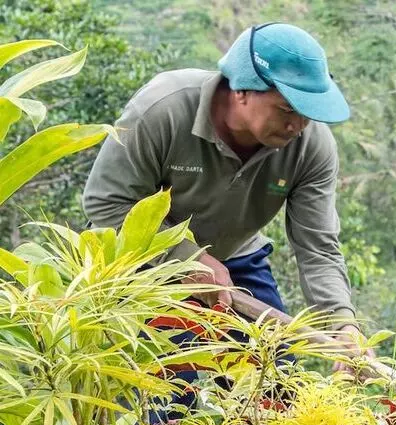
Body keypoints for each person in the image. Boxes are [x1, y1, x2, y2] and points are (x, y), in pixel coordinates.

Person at [82, 22, 371, 383]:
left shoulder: (311, 146)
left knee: (274, 384)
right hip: (141, 260)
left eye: (307, 111)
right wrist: (186, 258)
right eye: (287, 109)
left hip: (235, 259)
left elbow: (318, 248)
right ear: (242, 91)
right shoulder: (163, 110)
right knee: (167, 395)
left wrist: (342, 321)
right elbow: (107, 206)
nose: (298, 124)